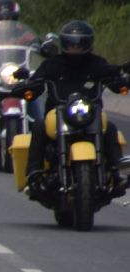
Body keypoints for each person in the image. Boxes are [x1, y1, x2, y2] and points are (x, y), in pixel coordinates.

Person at [21, 19, 130, 196]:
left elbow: (114, 79)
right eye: (72, 44)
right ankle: (34, 174)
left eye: (80, 44)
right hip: (57, 112)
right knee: (40, 126)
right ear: (64, 44)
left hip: (90, 112)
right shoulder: (53, 64)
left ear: (88, 44)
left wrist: (122, 81)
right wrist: (28, 87)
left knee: (109, 128)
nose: (75, 48)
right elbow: (37, 81)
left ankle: (118, 172)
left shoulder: (97, 64)